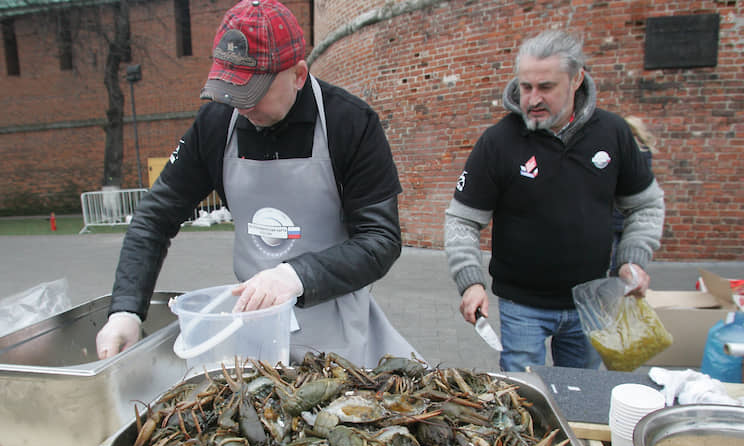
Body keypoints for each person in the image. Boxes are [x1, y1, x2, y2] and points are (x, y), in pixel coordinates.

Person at [95, 0, 417, 366]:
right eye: (231, 90)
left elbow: (380, 240)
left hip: (338, 337)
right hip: (254, 333)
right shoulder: (216, 124)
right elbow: (154, 219)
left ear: (298, 74)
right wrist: (125, 309)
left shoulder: (351, 123)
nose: (240, 106)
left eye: (253, 92)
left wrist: (295, 276)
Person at [444, 30, 665, 372]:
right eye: (525, 87)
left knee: (578, 398)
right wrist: (470, 281)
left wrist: (632, 259)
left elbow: (644, 206)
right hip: (522, 307)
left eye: (545, 87)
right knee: (525, 402)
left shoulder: (614, 133)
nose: (532, 99)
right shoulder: (499, 141)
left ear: (577, 78)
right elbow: (462, 220)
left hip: (590, 303)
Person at [611, 115, 656, 275]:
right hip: (625, 213)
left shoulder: (631, 153)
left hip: (620, 212)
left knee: (618, 253)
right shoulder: (644, 151)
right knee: (623, 250)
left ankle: (619, 278)